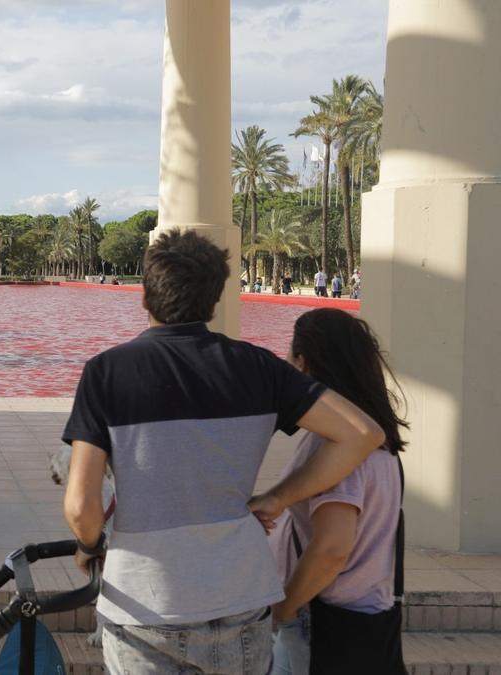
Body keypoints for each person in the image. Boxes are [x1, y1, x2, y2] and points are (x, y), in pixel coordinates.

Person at [61, 229, 384, 675]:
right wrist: (278, 498)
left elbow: (81, 506)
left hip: (145, 604)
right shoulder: (259, 367)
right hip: (241, 597)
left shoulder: (105, 373)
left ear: (145, 297)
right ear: (213, 303)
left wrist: (89, 544)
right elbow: (361, 433)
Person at [268, 308, 407, 674]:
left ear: (304, 363)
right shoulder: (380, 438)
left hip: (323, 623)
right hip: (366, 619)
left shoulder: (338, 445)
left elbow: (332, 547)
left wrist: (283, 609)